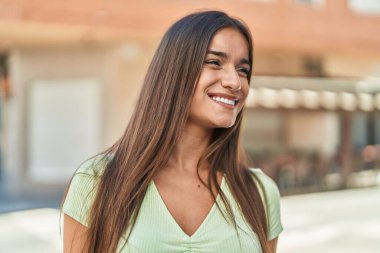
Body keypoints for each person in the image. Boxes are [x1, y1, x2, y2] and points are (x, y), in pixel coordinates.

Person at [62, 10, 283, 253]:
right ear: (174, 71)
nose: (235, 82)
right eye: (213, 62)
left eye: (243, 69)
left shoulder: (260, 192)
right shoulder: (97, 181)